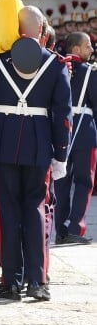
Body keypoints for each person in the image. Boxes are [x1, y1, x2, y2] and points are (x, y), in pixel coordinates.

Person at [0, 6, 72, 301]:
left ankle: (11, 281)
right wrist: (61, 154)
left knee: (8, 211)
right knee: (36, 209)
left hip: (4, 143)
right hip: (39, 145)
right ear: (43, 30)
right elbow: (62, 115)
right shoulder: (56, 66)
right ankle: (37, 280)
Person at [54, 32, 96, 245]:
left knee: (61, 181)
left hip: (60, 130)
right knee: (84, 181)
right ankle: (74, 227)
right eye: (88, 46)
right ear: (77, 49)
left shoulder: (57, 67)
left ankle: (61, 229)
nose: (92, 49)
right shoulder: (90, 71)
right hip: (84, 133)